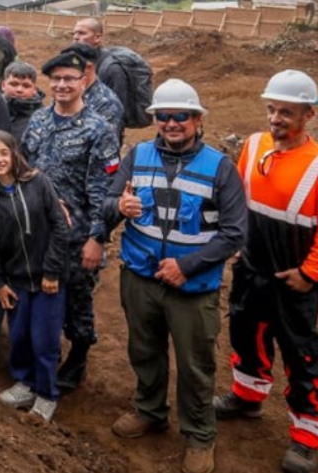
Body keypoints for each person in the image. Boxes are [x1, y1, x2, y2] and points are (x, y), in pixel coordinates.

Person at [105, 79, 246, 473]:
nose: (171, 123)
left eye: (180, 116)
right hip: (139, 277)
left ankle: (199, 435)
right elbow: (108, 203)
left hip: (192, 287)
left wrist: (187, 266)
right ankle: (149, 410)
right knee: (144, 351)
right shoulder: (138, 155)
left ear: (197, 119)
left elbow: (235, 232)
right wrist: (119, 203)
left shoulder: (220, 167)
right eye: (163, 116)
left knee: (195, 363)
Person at [212, 70, 318, 473]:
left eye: (286, 112)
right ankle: (248, 396)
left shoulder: (316, 164)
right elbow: (238, 200)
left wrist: (309, 274)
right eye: (272, 109)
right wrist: (235, 247)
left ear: (308, 114)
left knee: (300, 352)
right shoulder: (254, 145)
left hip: (295, 274)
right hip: (251, 264)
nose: (276, 118)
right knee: (244, 329)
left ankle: (307, 436)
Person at [22, 50, 120, 393]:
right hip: (39, 232)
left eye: (69, 79)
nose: (62, 85)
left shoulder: (99, 130)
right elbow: (25, 171)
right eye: (57, 79)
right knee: (42, 294)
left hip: (79, 236)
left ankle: (78, 357)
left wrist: (98, 238)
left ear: (83, 81)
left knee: (78, 299)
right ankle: (42, 354)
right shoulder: (38, 121)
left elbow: (104, 193)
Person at [0, 130, 69, 422]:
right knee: (19, 336)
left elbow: (60, 226)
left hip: (48, 281)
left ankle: (46, 393)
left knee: (44, 339)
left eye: (3, 153)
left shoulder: (38, 182)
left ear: (14, 153)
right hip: (15, 280)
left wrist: (52, 271)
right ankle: (25, 383)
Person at [0, 61, 43, 140]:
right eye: (14, 84)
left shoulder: (43, 118)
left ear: (34, 89)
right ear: (3, 85)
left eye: (26, 86)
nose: (19, 90)